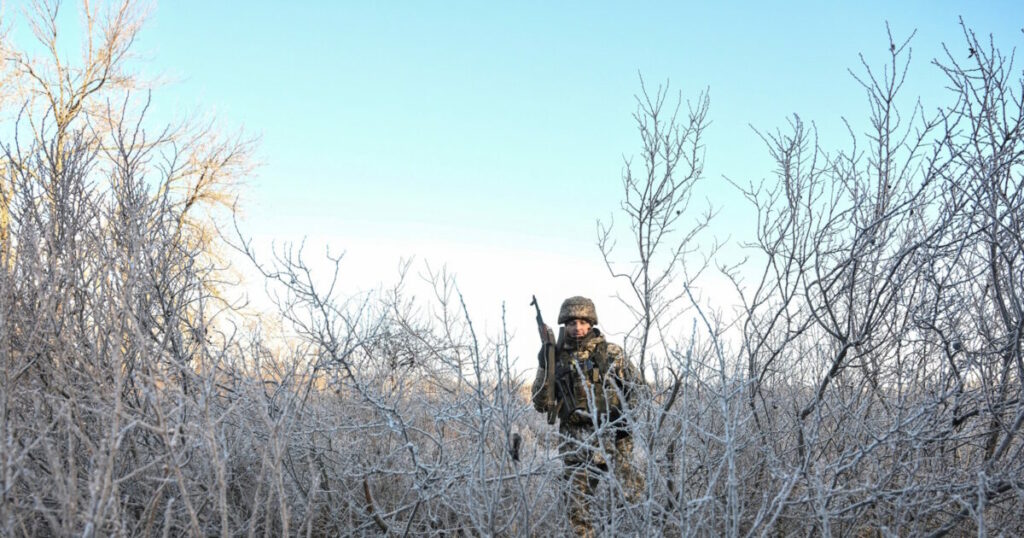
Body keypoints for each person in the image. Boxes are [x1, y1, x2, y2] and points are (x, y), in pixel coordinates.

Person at [531, 296, 644, 537]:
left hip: (614, 440)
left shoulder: (612, 353)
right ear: (565, 325)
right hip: (576, 446)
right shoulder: (555, 357)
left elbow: (639, 391)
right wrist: (545, 364)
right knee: (577, 511)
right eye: (572, 323)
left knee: (636, 500)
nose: (578, 328)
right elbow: (540, 404)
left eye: (583, 322)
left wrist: (623, 418)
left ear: (591, 323)